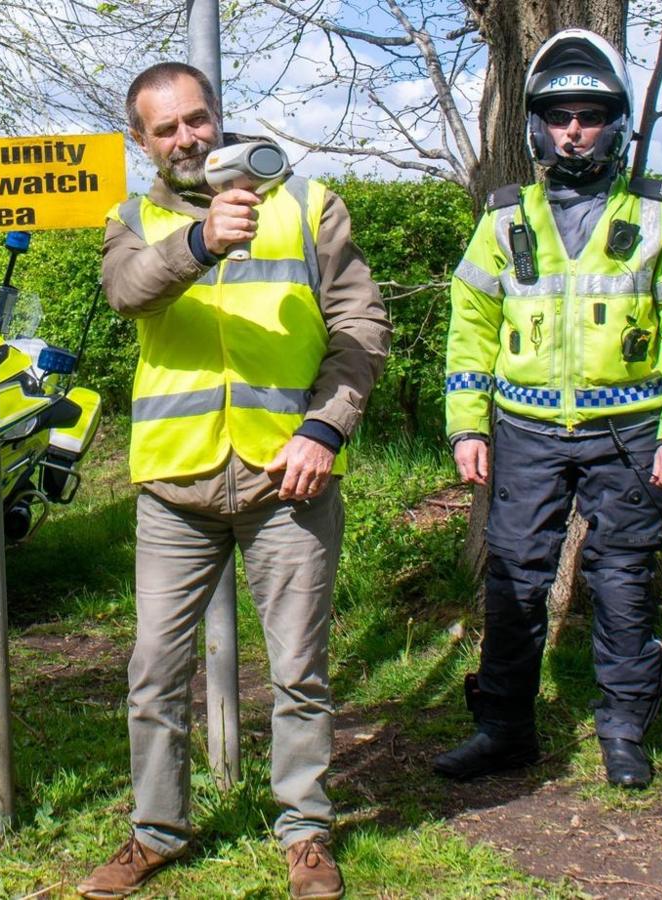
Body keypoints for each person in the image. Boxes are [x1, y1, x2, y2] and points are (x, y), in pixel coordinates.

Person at [77, 62, 390, 900]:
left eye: (198, 119)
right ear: (142, 142)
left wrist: (326, 426)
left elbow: (362, 323)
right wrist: (200, 240)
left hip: (287, 479)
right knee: (154, 670)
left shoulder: (306, 204)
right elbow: (127, 292)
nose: (189, 137)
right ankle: (156, 831)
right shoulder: (132, 217)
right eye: (167, 128)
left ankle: (306, 833)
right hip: (176, 489)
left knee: (300, 668)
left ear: (220, 118)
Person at [438, 29, 662, 790]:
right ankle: (504, 730)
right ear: (535, 123)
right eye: (559, 114)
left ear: (615, 122)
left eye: (589, 114)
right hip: (523, 430)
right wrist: (467, 423)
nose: (573, 129)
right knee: (516, 577)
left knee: (624, 577)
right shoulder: (503, 220)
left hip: (629, 433)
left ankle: (624, 727)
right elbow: (470, 329)